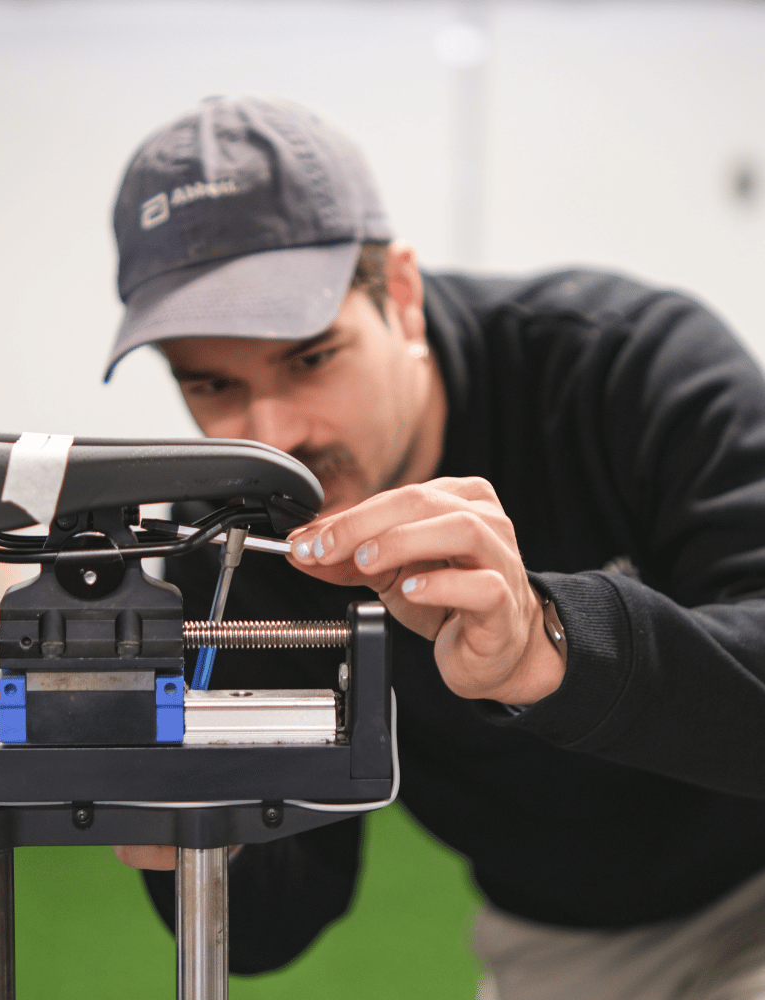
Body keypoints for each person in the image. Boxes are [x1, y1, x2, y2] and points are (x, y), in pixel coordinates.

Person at [104, 95, 765, 999]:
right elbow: (273, 923)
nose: (272, 434)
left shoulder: (628, 366)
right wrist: (179, 833)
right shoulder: (230, 539)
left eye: (310, 359)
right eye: (212, 385)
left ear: (401, 298)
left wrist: (552, 645)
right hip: (558, 939)